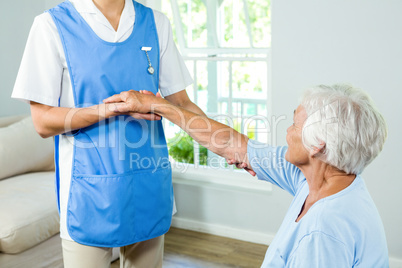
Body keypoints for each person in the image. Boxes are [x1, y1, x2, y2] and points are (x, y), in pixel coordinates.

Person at [104, 84, 389, 267]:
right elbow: (232, 144)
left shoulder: (323, 232)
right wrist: (159, 106)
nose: (287, 133)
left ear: (317, 145)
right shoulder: (319, 177)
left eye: (293, 125)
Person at [11, 0, 205, 267]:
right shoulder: (52, 25)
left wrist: (227, 144)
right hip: (87, 191)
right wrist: (108, 109)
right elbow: (43, 122)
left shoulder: (156, 23)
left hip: (147, 181)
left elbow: (181, 104)